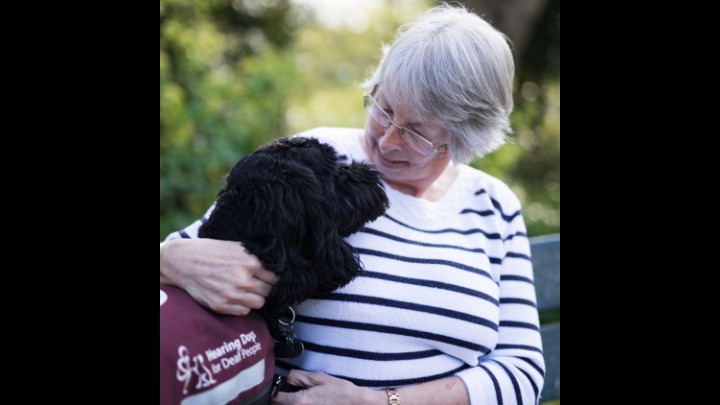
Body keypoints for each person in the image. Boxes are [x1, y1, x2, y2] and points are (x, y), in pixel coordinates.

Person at [160, 3, 545, 404]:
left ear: (467, 139)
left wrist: (379, 402)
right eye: (384, 107)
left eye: (417, 132)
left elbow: (522, 370)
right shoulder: (310, 162)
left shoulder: (494, 205)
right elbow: (195, 251)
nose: (387, 140)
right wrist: (167, 260)